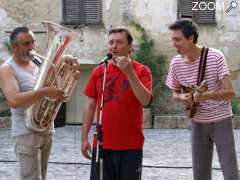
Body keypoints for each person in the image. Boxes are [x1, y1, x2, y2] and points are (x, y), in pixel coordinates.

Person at [166, 19, 239, 180]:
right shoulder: (175, 63)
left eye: (177, 39)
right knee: (200, 173)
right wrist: (182, 98)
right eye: (172, 40)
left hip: (221, 119)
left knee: (231, 172)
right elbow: (174, 93)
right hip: (197, 121)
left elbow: (230, 92)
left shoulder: (215, 56)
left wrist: (206, 96)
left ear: (191, 38)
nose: (173, 44)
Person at [81, 27, 152, 180]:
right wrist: (84, 138)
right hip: (102, 144)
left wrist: (129, 72)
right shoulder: (99, 71)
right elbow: (89, 106)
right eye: (111, 42)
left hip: (130, 145)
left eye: (119, 42)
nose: (114, 46)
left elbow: (145, 100)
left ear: (129, 46)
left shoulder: (142, 71)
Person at [0, 26, 66, 180]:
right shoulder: (7, 69)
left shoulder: (37, 63)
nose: (32, 47)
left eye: (33, 42)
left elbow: (50, 90)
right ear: (14, 47)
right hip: (26, 132)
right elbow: (14, 100)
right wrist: (44, 92)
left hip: (46, 129)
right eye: (26, 44)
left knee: (42, 176)